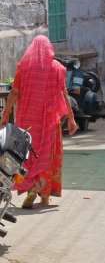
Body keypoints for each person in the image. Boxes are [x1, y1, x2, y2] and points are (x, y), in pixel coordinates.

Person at [0, 35, 78, 208]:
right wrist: (71, 118)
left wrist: (5, 114)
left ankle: (31, 189)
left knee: (27, 155)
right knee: (48, 155)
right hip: (50, 122)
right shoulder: (57, 68)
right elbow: (64, 94)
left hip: (27, 121)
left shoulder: (24, 68)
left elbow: (14, 92)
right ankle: (43, 193)